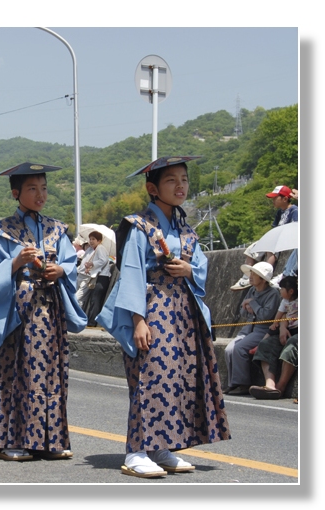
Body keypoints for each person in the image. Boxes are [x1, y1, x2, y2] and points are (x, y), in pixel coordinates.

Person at [97, 156, 230, 478]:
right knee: (149, 378)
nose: (181, 186)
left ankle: (161, 446)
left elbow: (199, 266)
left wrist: (190, 269)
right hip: (152, 308)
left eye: (184, 179)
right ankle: (136, 451)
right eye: (172, 180)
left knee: (176, 380)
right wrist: (138, 319)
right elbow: (131, 272)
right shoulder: (139, 224)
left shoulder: (185, 227)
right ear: (152, 188)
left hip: (183, 314)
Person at [0, 162, 87, 462]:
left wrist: (60, 269)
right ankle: (13, 440)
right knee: (19, 372)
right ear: (16, 193)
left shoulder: (56, 229)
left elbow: (70, 263)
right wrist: (15, 263)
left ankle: (50, 439)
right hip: (20, 310)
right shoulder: (3, 231)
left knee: (52, 372)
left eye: (43, 188)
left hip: (50, 308)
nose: (40, 194)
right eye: (32, 188)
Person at [223, 261, 281, 395]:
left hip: (262, 329)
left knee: (239, 348)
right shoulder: (252, 290)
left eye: (254, 274)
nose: (250, 276)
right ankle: (233, 383)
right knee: (229, 349)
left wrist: (252, 304)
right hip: (249, 328)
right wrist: (249, 307)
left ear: (262, 279)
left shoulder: (273, 294)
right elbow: (243, 312)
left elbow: (265, 316)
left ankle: (242, 383)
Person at [231, 185, 298, 291]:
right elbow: (275, 228)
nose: (273, 200)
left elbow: (295, 227)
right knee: (251, 249)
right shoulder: (280, 212)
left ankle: (264, 273)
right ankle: (246, 277)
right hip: (276, 237)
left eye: (275, 198)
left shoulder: (294, 210)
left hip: (284, 239)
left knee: (270, 250)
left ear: (285, 199)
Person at [248, 276, 298, 399]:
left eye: (282, 289)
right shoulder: (286, 301)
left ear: (290, 291)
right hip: (288, 328)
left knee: (291, 344)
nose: (280, 292)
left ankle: (281, 386)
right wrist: (281, 326)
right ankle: (270, 385)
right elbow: (281, 315)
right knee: (266, 344)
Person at [82, 230, 113, 327]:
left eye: (93, 239)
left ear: (99, 241)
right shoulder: (95, 249)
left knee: (95, 299)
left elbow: (103, 261)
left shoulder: (100, 248)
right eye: (90, 239)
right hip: (99, 276)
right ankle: (92, 320)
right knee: (94, 299)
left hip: (102, 277)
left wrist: (92, 264)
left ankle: (92, 321)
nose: (91, 241)